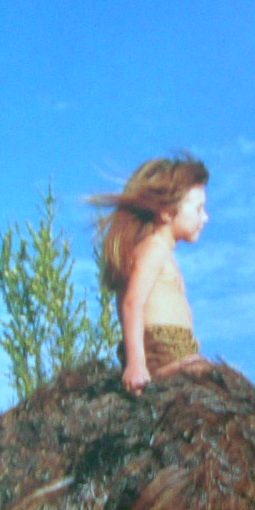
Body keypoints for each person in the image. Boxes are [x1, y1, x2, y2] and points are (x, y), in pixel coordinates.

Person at [90, 154, 212, 396]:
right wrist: (136, 363)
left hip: (179, 349)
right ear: (166, 212)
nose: (205, 217)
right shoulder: (153, 248)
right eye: (198, 209)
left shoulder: (163, 252)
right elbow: (132, 303)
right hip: (161, 351)